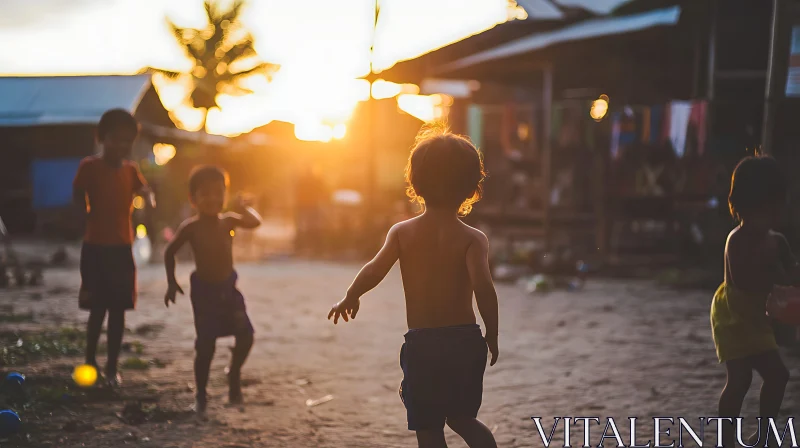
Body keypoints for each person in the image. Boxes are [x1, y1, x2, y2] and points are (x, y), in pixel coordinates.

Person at [327, 125, 499, 448]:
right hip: (464, 341)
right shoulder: (473, 239)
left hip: (424, 345)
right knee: (463, 418)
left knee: (428, 426)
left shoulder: (402, 233)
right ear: (471, 187)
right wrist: (492, 332)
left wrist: (351, 295)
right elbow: (484, 287)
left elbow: (374, 270)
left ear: (415, 182)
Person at [711, 155, 796, 447]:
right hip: (733, 317)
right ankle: (726, 439)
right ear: (743, 207)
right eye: (766, 209)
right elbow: (744, 281)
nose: (772, 216)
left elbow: (792, 273)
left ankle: (765, 433)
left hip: (759, 318)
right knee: (740, 379)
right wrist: (774, 276)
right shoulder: (737, 240)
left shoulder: (778, 240)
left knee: (778, 375)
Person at [163, 166, 261, 415]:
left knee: (246, 335)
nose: (213, 199)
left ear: (225, 195)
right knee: (205, 347)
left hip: (229, 290)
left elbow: (255, 222)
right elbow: (169, 251)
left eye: (219, 193)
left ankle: (234, 373)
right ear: (192, 199)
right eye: (205, 194)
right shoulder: (191, 227)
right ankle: (201, 395)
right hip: (204, 294)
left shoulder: (228, 220)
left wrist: (243, 208)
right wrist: (172, 282)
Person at [72, 109, 154, 387]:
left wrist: (148, 200)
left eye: (126, 141)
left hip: (122, 249)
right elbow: (77, 192)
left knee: (118, 310)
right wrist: (83, 212)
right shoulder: (89, 166)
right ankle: (90, 360)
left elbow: (145, 190)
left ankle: (111, 368)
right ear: (101, 137)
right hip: (95, 248)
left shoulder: (131, 170)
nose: (120, 146)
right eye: (115, 139)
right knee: (97, 308)